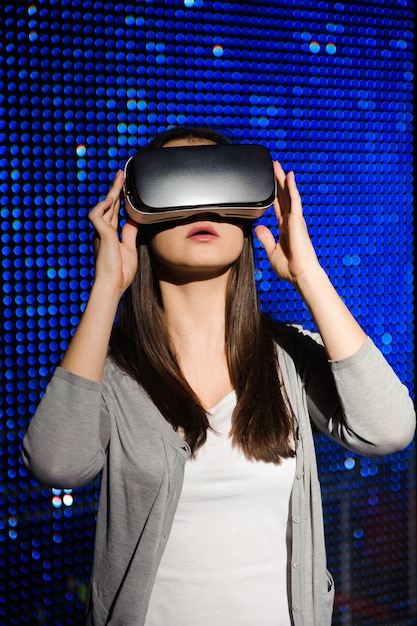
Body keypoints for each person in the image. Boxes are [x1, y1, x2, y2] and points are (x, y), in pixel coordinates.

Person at [22, 126, 415, 626]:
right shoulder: (113, 374)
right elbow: (57, 464)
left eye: (220, 187)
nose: (202, 209)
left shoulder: (289, 359)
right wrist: (107, 288)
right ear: (141, 216)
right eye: (178, 189)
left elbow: (389, 429)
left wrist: (309, 273)